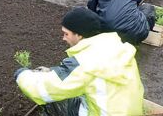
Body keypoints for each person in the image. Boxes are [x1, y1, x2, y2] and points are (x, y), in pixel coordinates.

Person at [15, 7, 144, 115]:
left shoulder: (85, 63)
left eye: (66, 34)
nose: (63, 38)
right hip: (126, 110)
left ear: (79, 35)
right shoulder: (115, 48)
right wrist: (52, 71)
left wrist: (22, 74)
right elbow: (81, 77)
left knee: (54, 101)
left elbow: (41, 90)